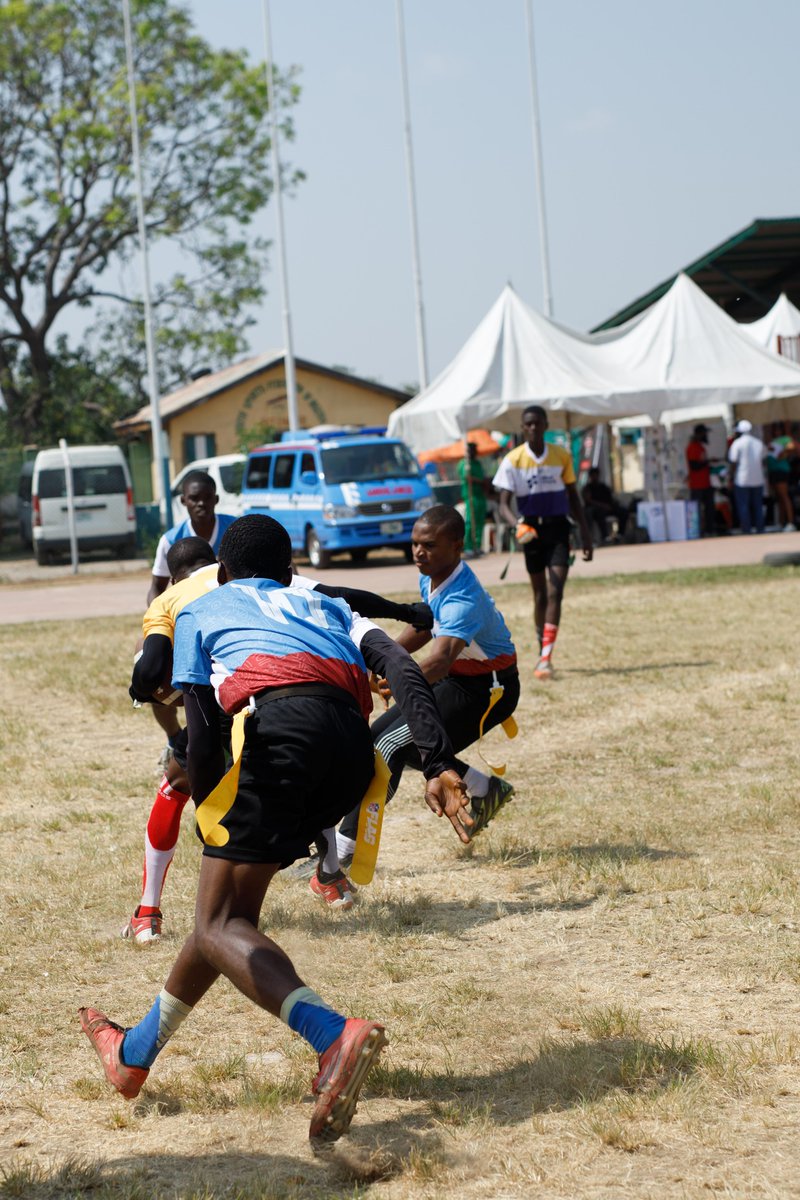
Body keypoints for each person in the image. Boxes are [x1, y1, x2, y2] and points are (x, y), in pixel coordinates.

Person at [81, 515, 469, 1150]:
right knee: (226, 917)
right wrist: (439, 760)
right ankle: (133, 1054)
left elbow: (202, 732)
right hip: (352, 755)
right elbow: (401, 667)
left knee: (215, 925)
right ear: (290, 570)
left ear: (224, 572)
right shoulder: (326, 601)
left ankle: (331, 1036)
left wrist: (207, 799)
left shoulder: (206, 607)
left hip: (281, 742)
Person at [125, 538, 439, 937]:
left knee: (175, 788)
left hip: (227, 699)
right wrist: (405, 611)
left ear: (175, 577)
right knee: (306, 765)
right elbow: (343, 596)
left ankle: (148, 912)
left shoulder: (169, 600)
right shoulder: (273, 580)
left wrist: (140, 690)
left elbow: (150, 668)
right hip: (294, 701)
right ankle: (329, 876)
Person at [330, 504, 518, 870]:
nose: (419, 552)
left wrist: (397, 677)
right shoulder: (433, 573)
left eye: (429, 545)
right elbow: (428, 624)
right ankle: (483, 789)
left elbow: (441, 658)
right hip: (460, 679)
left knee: (388, 743)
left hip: (488, 690)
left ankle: (344, 850)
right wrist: (386, 658)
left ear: (457, 546)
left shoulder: (464, 596)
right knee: (394, 738)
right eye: (415, 544)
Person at [493, 406, 593, 680]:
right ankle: (542, 648)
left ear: (546, 424)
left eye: (538, 423)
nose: (533, 428)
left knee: (555, 591)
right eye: (528, 424)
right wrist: (517, 525)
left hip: (559, 528)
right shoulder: (513, 460)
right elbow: (503, 505)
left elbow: (574, 497)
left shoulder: (561, 455)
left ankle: (546, 656)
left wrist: (586, 534)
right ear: (523, 428)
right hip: (531, 531)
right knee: (539, 594)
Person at [146, 470, 239, 761]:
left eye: (207, 498)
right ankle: (174, 739)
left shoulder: (235, 530)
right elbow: (156, 588)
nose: (201, 504)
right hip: (188, 621)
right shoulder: (171, 539)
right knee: (152, 665)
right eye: (194, 499)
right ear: (184, 501)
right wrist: (159, 623)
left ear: (217, 498)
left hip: (233, 619)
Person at [728, 420, 766, 534]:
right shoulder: (759, 443)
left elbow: (733, 462)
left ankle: (747, 530)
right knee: (758, 506)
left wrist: (731, 477)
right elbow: (764, 460)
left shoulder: (737, 443)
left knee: (743, 506)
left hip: (742, 479)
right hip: (758, 479)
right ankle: (760, 529)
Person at [581, 467, 629, 543]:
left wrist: (613, 504)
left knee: (623, 511)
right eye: (593, 475)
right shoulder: (587, 488)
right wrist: (602, 506)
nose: (595, 477)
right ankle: (605, 536)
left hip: (608, 508)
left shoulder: (603, 487)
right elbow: (588, 500)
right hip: (596, 510)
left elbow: (611, 498)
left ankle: (619, 535)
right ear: (590, 476)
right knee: (599, 513)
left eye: (596, 475)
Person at [685, 424, 717, 537]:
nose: (706, 435)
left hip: (705, 483)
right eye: (704, 433)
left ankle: (709, 530)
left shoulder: (700, 446)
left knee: (709, 509)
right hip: (697, 485)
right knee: (697, 510)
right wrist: (707, 462)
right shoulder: (692, 447)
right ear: (699, 434)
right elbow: (694, 466)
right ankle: (697, 531)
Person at [458, 441, 487, 557]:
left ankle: (477, 546)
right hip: (471, 496)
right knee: (471, 521)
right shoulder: (464, 464)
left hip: (480, 496)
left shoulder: (477, 463)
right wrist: (480, 481)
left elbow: (483, 476)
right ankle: (468, 547)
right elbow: (466, 477)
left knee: (480, 521)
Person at [765, 438, 796, 531]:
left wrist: (783, 453)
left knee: (784, 496)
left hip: (780, 471)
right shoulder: (771, 440)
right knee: (779, 498)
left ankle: (790, 523)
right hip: (773, 471)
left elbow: (792, 447)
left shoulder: (785, 438)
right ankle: (781, 523)